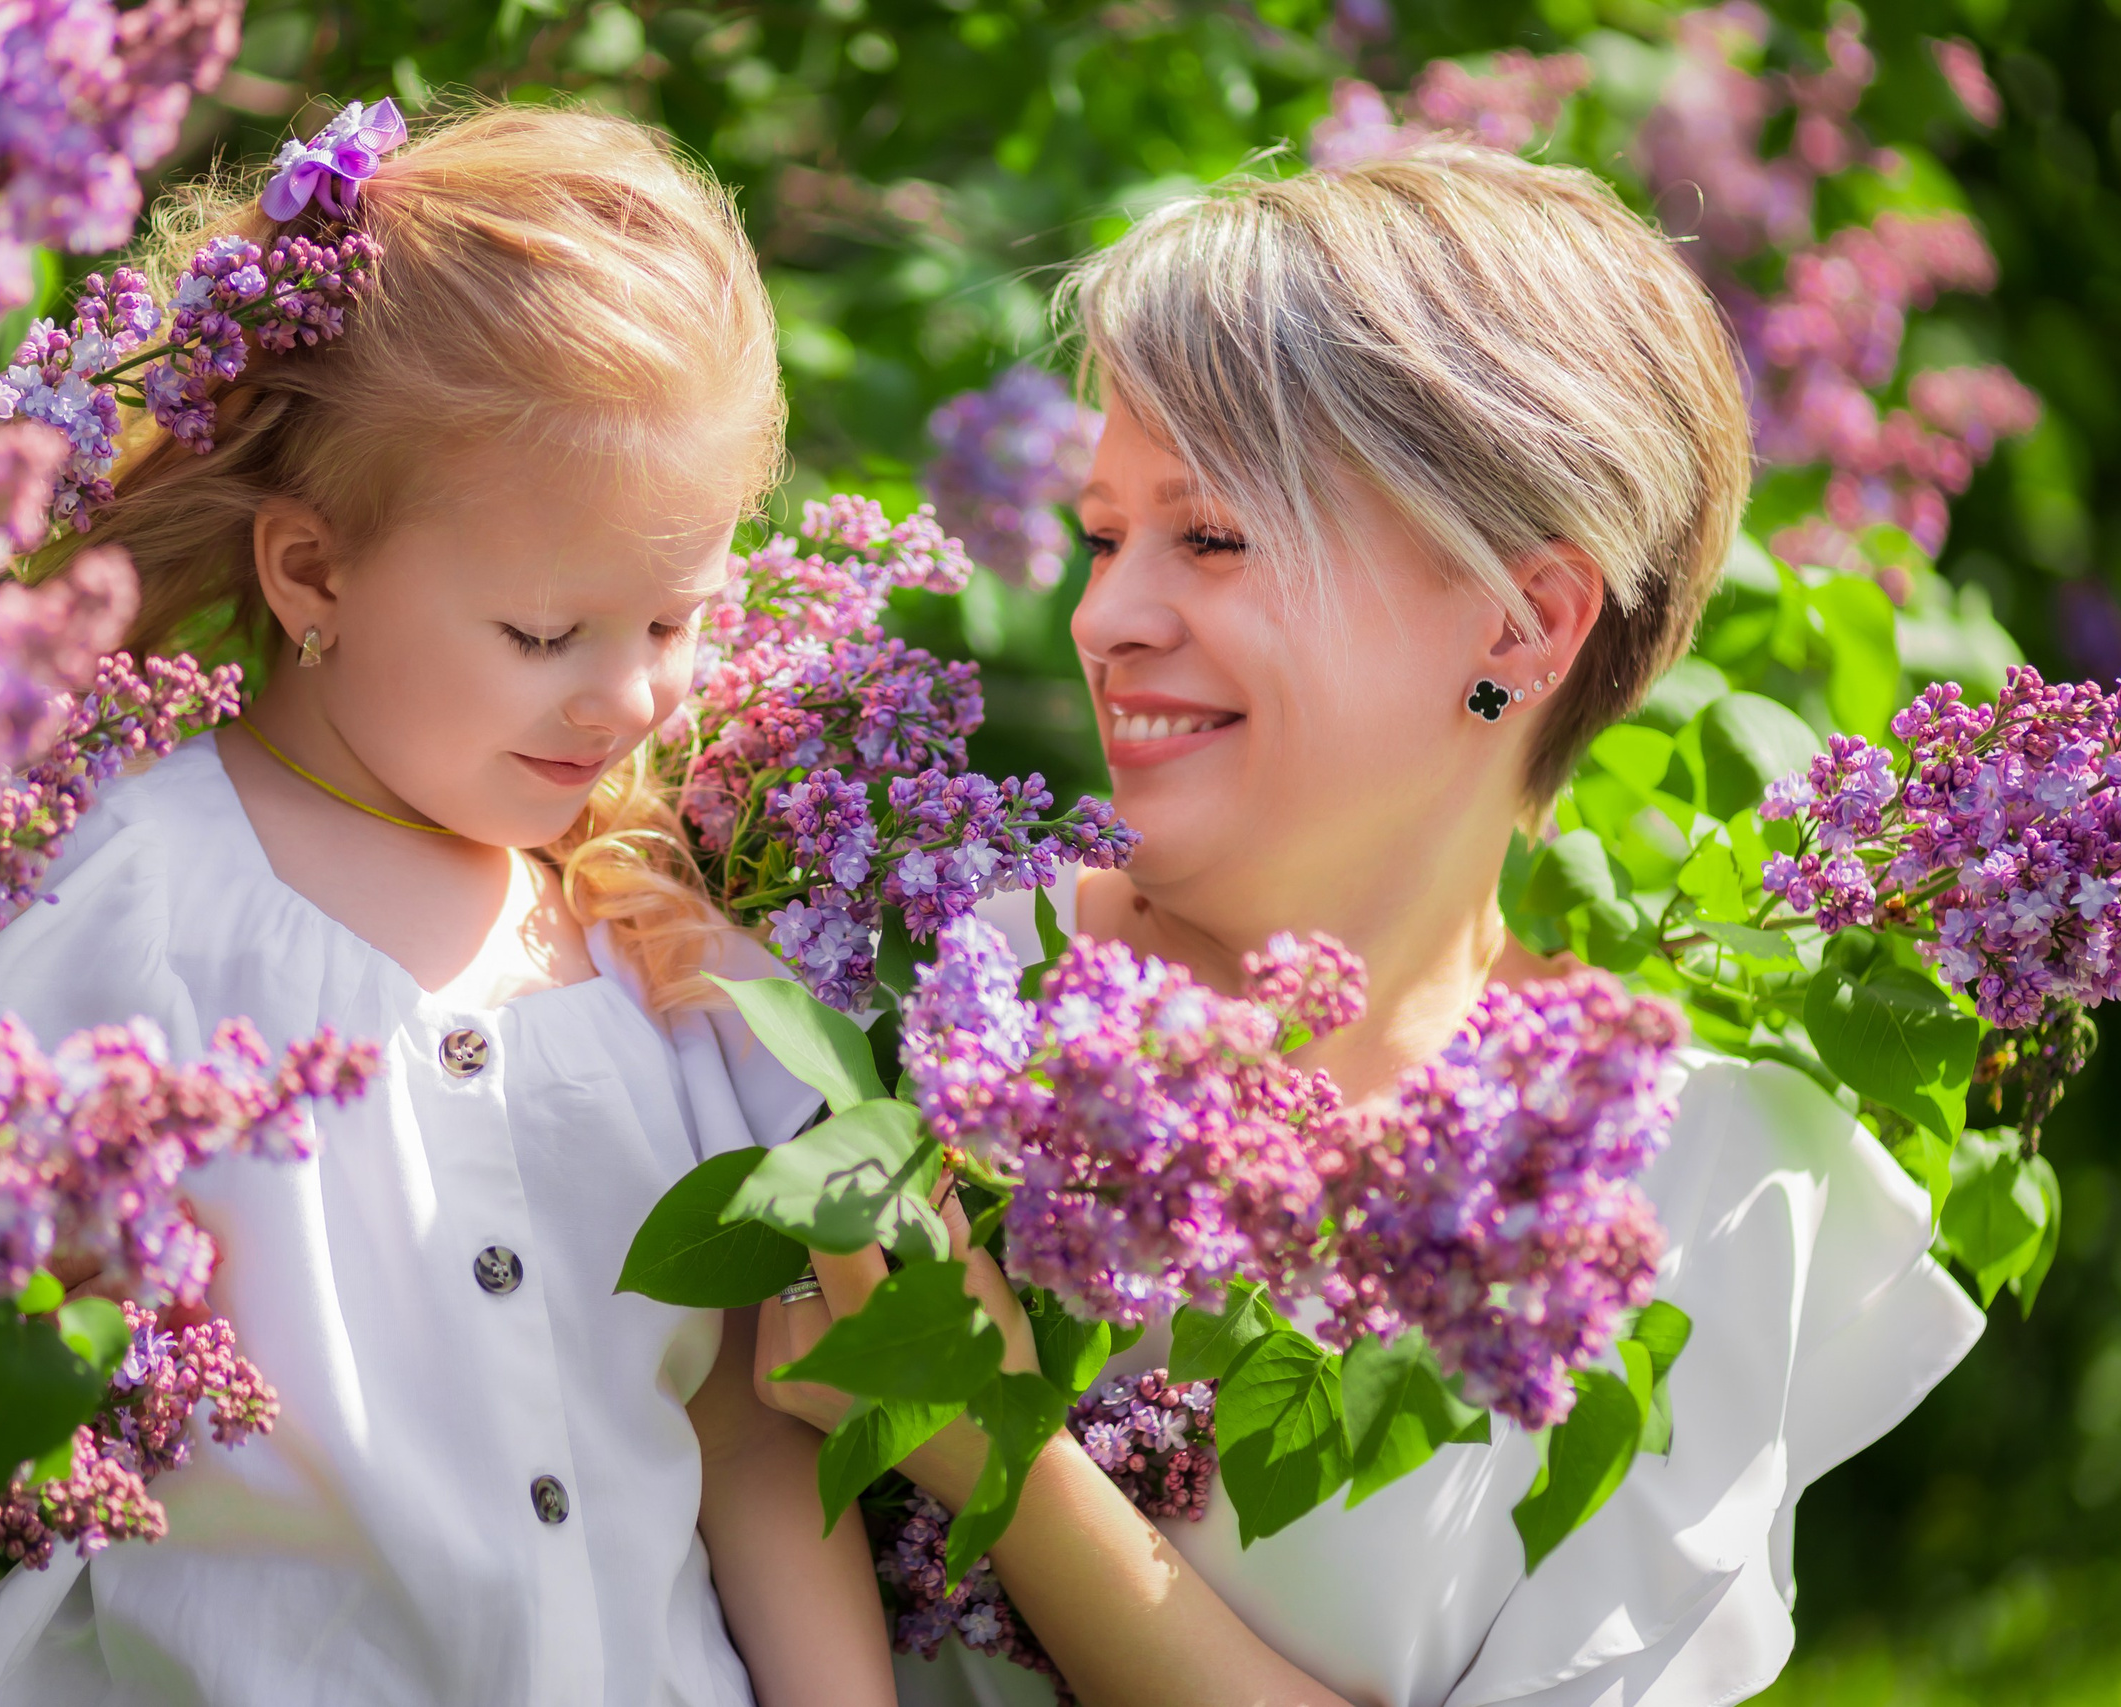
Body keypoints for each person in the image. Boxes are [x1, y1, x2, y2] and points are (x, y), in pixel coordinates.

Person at [0, 104, 896, 1707]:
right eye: (546, 633)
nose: (627, 698)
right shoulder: (158, 879)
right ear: (312, 573)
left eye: (674, 618)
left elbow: (745, 1436)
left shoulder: (646, 949)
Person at [757, 146, 1986, 1707]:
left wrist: (997, 1446)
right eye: (1100, 535)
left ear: (1519, 624)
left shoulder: (1718, 1196)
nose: (1102, 617)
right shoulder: (929, 984)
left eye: (1208, 538)